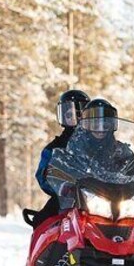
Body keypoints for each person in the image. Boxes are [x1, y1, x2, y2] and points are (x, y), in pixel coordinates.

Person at [31, 89, 90, 224]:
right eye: (69, 115)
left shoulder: (100, 142)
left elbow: (119, 162)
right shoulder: (54, 147)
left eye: (78, 114)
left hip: (101, 197)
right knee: (41, 221)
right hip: (67, 198)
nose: (74, 118)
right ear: (63, 117)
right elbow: (42, 175)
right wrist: (60, 186)